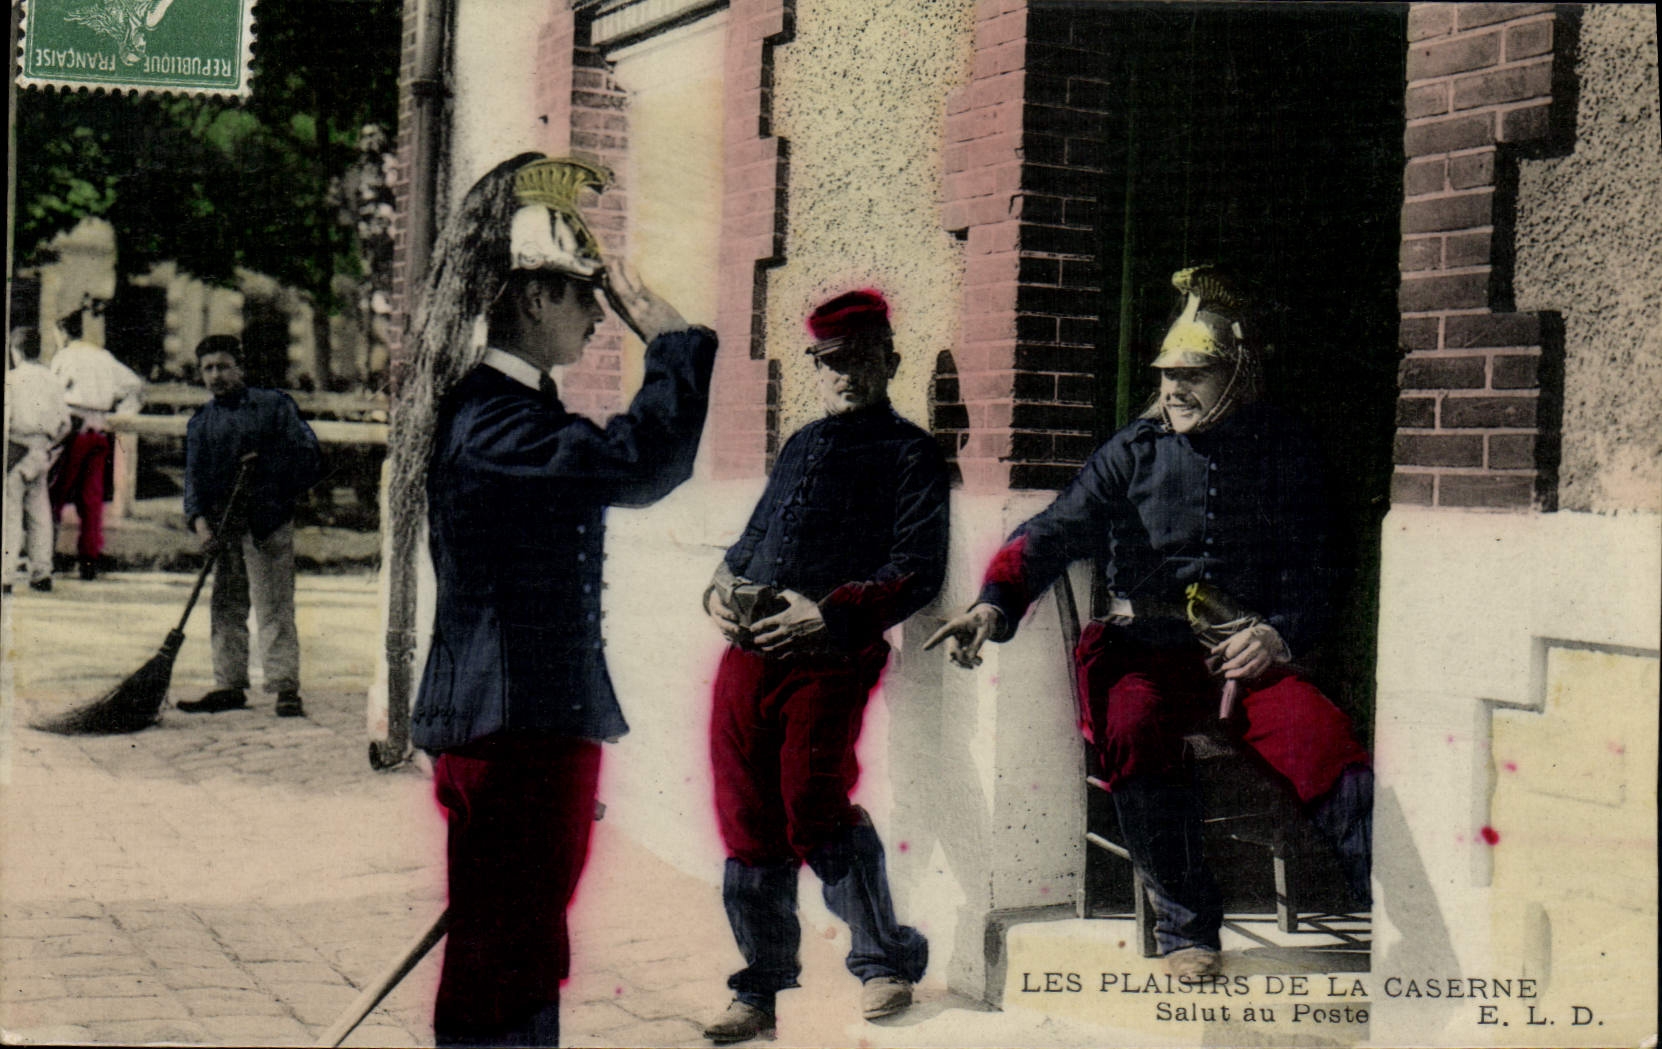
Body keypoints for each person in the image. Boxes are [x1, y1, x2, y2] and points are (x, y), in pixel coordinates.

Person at [926, 266, 1373, 979]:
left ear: (1234, 373)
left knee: (1324, 737)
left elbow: (1320, 566)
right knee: (1133, 727)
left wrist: (1278, 631)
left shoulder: (1283, 448)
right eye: (1166, 374)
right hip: (1143, 651)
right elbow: (1049, 533)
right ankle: (1186, 927)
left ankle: (1393, 906)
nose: (1173, 389)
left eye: (1193, 374)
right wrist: (993, 601)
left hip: (1244, 654)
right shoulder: (1131, 451)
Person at [393, 153, 717, 1048]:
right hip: (514, 734)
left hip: (529, 730)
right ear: (532, 298)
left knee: (521, 950)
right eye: (582, 297)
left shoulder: (506, 409)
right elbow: (633, 464)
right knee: (504, 961)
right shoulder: (492, 420)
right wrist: (675, 344)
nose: (596, 320)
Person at [700, 289, 948, 1043]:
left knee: (811, 799)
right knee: (746, 814)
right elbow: (749, 541)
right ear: (816, 366)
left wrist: (831, 613)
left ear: (890, 361)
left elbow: (918, 568)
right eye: (831, 362)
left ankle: (883, 959)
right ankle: (759, 989)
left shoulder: (910, 453)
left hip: (831, 652)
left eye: (861, 359)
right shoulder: (803, 442)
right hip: (749, 652)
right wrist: (717, 585)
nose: (845, 374)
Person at [177, 335, 322, 718]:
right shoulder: (200, 423)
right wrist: (202, 526)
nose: (215, 375)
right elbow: (193, 483)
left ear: (240, 367)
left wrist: (269, 467)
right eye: (208, 368)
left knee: (272, 607)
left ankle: (284, 687)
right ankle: (228, 684)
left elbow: (309, 457)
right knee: (226, 607)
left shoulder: (273, 406)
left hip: (267, 523)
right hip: (223, 529)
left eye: (223, 366)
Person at [48, 304, 145, 580]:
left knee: (55, 495)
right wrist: (121, 415)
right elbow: (135, 386)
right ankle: (88, 560)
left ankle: (47, 556)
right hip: (100, 429)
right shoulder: (104, 357)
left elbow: (54, 393)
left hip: (74, 427)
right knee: (91, 501)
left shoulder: (65, 356)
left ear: (63, 333)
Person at [5, 326, 73, 594]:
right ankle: (42, 572)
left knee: (10, 514)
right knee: (39, 513)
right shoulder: (52, 380)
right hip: (41, 449)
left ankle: (6, 573)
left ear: (16, 351)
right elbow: (65, 425)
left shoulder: (11, 380)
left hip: (15, 447)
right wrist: (47, 448)